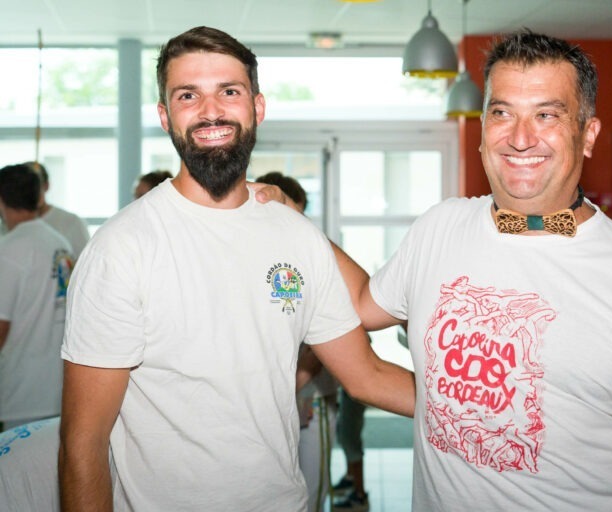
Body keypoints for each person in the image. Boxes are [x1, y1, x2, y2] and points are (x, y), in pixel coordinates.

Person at [325, 29, 612, 511]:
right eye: (502, 113)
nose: (519, 138)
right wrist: (286, 221)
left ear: (588, 134)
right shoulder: (440, 227)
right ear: (482, 128)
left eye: (546, 115)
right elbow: (362, 304)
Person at [58, 26, 414, 512]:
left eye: (229, 91)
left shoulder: (295, 234)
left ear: (257, 107)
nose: (210, 111)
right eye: (188, 95)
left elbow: (367, 375)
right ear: (165, 116)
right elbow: (83, 443)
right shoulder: (122, 249)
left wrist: (487, 408)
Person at [255, 170, 342, 512]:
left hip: (313, 397)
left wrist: (298, 389)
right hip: (268, 403)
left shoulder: (312, 253)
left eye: (298, 215)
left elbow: (327, 336)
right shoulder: (253, 257)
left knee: (310, 493)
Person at [0, 164, 74, 431]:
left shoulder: (8, 250)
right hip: (58, 385)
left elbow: (1, 326)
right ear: (39, 196)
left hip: (23, 389)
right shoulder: (59, 243)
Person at [25, 161, 91, 260]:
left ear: (46, 186)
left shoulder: (72, 222)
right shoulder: (7, 225)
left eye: (34, 186)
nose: (30, 193)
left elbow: (87, 263)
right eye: (25, 188)